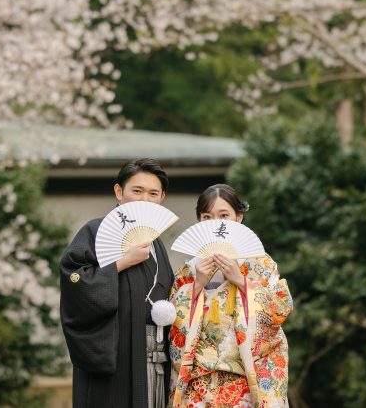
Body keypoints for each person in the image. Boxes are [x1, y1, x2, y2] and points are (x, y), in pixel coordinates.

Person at [60, 158, 174, 408]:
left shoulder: (156, 243)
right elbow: (74, 280)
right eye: (137, 191)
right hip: (116, 354)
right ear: (119, 192)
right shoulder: (95, 231)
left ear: (162, 197)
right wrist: (122, 263)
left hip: (155, 357)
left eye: (153, 193)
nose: (145, 199)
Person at [169, 185, 292, 408]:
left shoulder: (260, 265)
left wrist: (241, 281)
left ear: (239, 218)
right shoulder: (190, 269)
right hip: (198, 383)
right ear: (199, 220)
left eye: (224, 215)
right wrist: (196, 285)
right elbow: (171, 322)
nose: (216, 223)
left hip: (245, 381)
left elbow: (280, 309)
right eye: (207, 217)